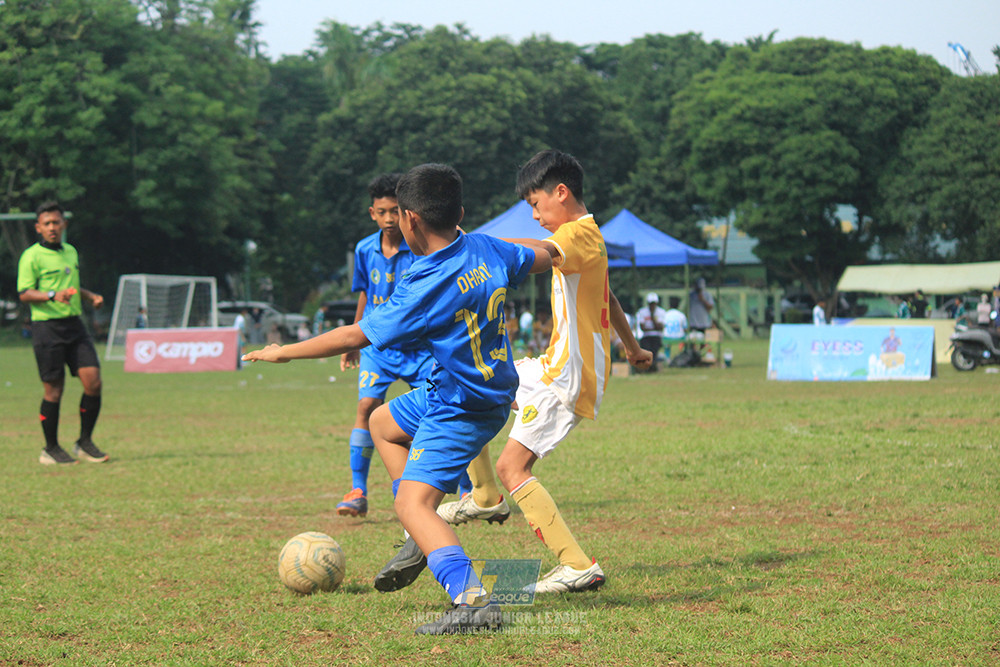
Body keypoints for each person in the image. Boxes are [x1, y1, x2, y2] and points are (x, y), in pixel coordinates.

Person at [244, 163, 552, 634]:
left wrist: (283, 351)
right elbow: (545, 256)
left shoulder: (425, 284)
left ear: (410, 219)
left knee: (413, 504)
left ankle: (472, 601)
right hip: (466, 390)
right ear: (459, 213)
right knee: (382, 423)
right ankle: (419, 537)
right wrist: (564, 246)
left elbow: (355, 334)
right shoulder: (488, 248)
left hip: (462, 406)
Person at [388, 149, 652, 596]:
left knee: (514, 466)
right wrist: (632, 346)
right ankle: (484, 496)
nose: (534, 215)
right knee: (476, 382)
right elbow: (606, 295)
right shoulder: (588, 236)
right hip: (555, 364)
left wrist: (475, 248)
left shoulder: (575, 236)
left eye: (535, 203)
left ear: (561, 192)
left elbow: (538, 253)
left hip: (567, 376)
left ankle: (577, 565)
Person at [334, 173, 436, 518]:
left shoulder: (419, 247)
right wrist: (354, 339)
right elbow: (365, 294)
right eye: (382, 212)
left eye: (395, 211)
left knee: (435, 411)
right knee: (366, 406)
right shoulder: (365, 249)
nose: (390, 219)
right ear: (372, 213)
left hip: (417, 348)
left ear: (405, 212)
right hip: (378, 346)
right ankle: (358, 490)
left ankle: (465, 487)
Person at [17, 200, 109, 465]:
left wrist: (90, 296)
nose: (52, 227)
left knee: (93, 382)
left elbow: (71, 287)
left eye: (56, 222)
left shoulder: (70, 251)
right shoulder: (31, 256)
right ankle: (51, 448)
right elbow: (24, 293)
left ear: (64, 224)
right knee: (54, 391)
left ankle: (84, 442)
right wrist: (51, 295)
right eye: (46, 223)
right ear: (38, 228)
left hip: (74, 325)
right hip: (47, 328)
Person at [636, 292, 668, 371]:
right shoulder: (642, 312)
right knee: (646, 349)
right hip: (646, 336)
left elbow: (660, 327)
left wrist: (652, 316)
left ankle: (652, 366)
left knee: (654, 350)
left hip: (657, 336)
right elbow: (642, 328)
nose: (652, 305)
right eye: (651, 303)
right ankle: (647, 367)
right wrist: (654, 327)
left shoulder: (661, 312)